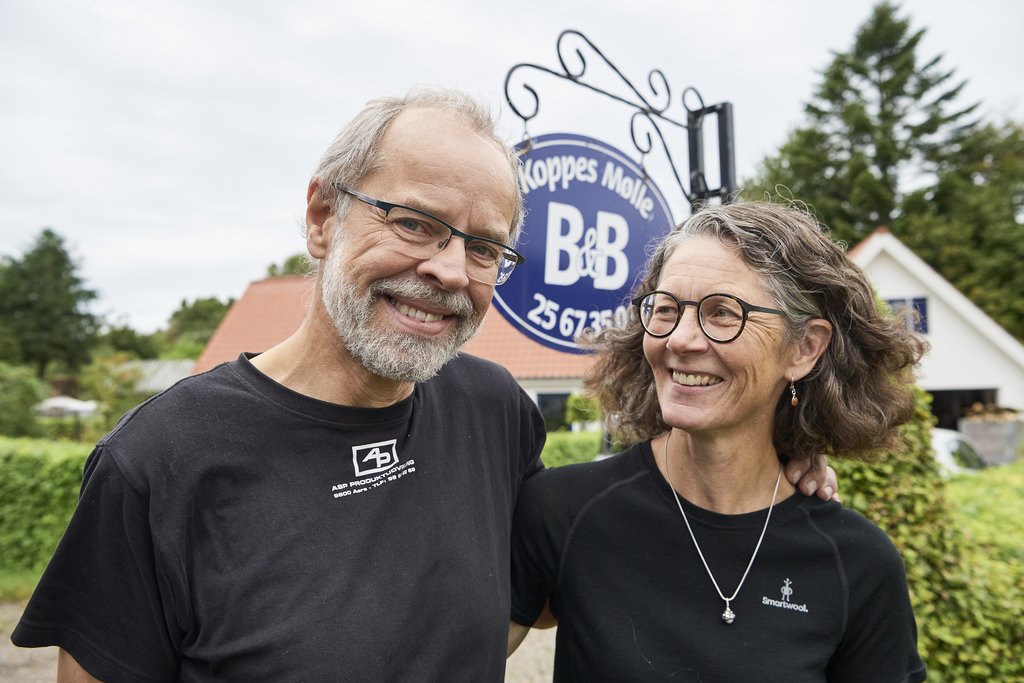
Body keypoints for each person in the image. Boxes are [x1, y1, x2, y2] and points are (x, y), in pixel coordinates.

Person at [13, 88, 836, 682]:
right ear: (322, 215)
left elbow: (554, 579)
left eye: (484, 248)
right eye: (414, 222)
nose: (447, 270)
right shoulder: (158, 460)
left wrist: (761, 467)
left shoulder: (494, 412)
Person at [509, 202, 928, 682]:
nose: (681, 339)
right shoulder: (564, 511)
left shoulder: (856, 562)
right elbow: (440, 649)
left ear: (805, 348)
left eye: (724, 313)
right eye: (666, 309)